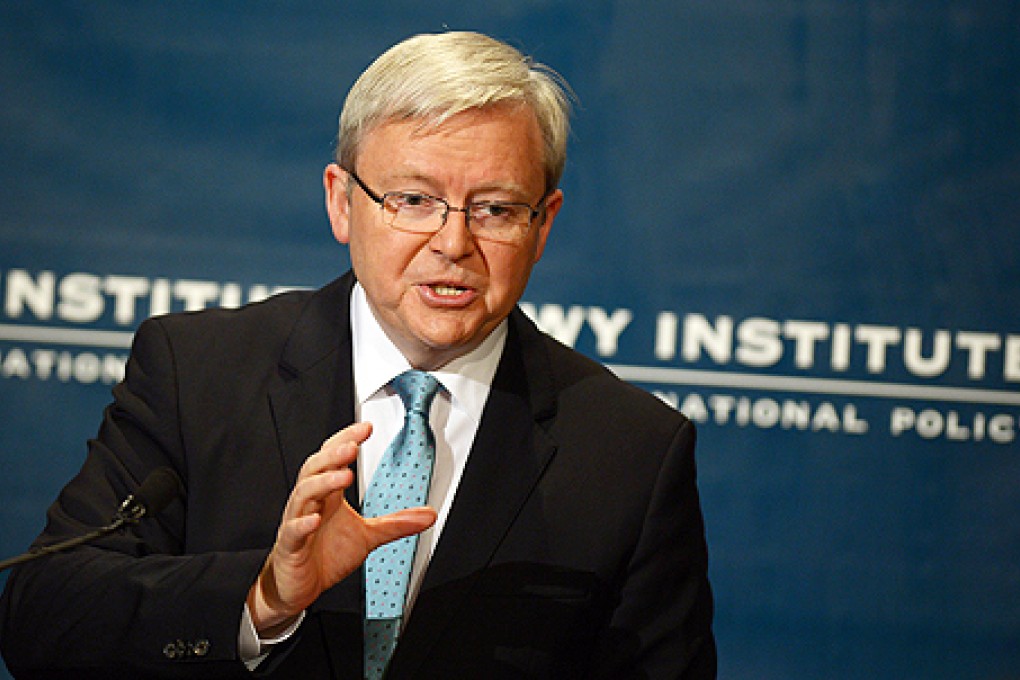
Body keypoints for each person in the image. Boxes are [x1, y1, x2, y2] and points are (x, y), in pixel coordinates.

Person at [0, 31, 715, 679]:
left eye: (494, 208)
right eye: (413, 199)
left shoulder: (631, 452)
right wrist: (264, 596)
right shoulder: (199, 371)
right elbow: (41, 618)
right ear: (343, 203)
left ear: (543, 223)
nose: (453, 243)